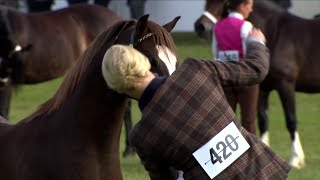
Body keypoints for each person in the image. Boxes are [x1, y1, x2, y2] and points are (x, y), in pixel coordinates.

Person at [101, 28, 291, 179]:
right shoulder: (196, 69)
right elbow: (256, 69)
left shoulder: (142, 137)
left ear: (119, 88)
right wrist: (255, 42)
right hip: (262, 171)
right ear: (143, 62)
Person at [212, 0, 258, 135]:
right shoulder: (246, 26)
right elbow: (250, 53)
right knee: (248, 121)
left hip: (226, 77)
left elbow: (216, 53)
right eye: (249, 6)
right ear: (242, 5)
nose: (251, 10)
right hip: (246, 78)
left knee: (226, 122)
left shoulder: (217, 26)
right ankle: (249, 154)